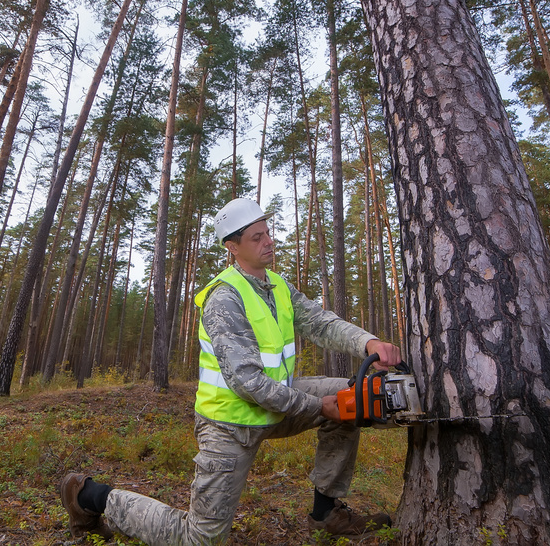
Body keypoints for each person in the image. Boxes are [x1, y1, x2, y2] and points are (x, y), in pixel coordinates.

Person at [60, 197, 402, 545]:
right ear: (232, 247)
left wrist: (368, 343)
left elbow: (319, 322)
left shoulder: (277, 285)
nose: (269, 241)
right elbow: (247, 382)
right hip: (229, 424)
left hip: (277, 405)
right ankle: (89, 497)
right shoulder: (224, 299)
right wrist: (319, 406)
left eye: (268, 233)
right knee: (200, 538)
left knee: (351, 397)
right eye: (257, 237)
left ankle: (326, 513)